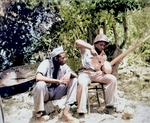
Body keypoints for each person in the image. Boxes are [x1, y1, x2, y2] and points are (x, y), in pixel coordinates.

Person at [75, 34, 126, 121]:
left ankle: (110, 106)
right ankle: (81, 112)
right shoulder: (86, 48)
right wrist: (90, 48)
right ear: (95, 43)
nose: (102, 47)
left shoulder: (103, 55)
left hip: (97, 74)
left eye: (104, 45)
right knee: (82, 83)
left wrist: (105, 65)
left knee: (112, 79)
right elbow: (77, 42)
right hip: (85, 72)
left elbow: (106, 69)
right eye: (100, 44)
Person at [32, 46, 78, 122]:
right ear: (56, 59)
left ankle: (68, 109)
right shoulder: (46, 63)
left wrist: (69, 73)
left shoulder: (63, 66)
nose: (65, 59)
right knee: (40, 84)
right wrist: (57, 81)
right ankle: (40, 113)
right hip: (46, 92)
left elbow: (75, 75)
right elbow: (38, 77)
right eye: (63, 58)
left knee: (74, 80)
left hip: (57, 91)